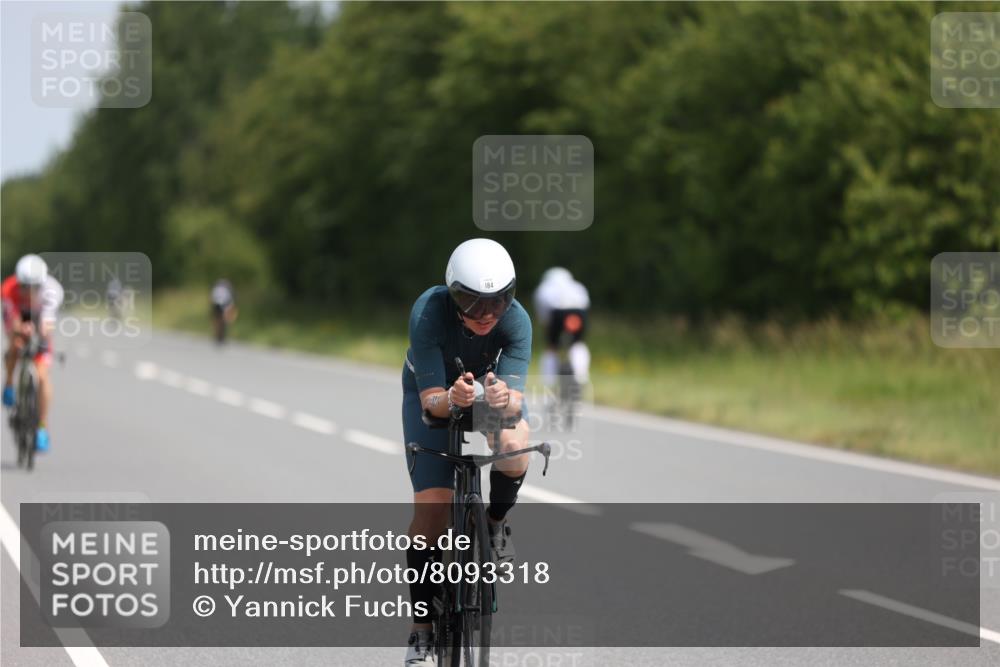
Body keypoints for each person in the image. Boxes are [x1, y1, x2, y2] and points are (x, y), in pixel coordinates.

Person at [401, 238, 532, 666]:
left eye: (497, 302)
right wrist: (456, 400)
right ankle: (421, 629)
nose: (487, 315)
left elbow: (514, 403)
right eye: (473, 304)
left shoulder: (517, 322)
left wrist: (499, 400)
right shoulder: (428, 311)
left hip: (487, 399)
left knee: (515, 445)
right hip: (435, 396)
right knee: (433, 510)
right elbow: (431, 404)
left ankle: (494, 523)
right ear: (452, 295)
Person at [2, 254, 64, 452]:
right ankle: (10, 383)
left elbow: (47, 324)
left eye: (34, 287)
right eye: (24, 287)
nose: (29, 291)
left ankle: (42, 428)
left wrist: (41, 337)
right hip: (19, 318)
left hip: (39, 320)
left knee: (43, 377)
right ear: (18, 282)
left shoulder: (52, 290)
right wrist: (20, 331)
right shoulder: (8, 289)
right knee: (16, 345)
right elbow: (10, 322)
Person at [533, 267, 591, 387]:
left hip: (557, 314)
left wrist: (550, 335)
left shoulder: (543, 289)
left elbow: (544, 317)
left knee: (551, 348)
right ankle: (581, 375)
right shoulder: (578, 286)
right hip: (578, 314)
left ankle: (549, 383)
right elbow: (586, 305)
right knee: (578, 344)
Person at [210, 278, 237, 343]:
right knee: (223, 320)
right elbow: (231, 299)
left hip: (216, 304)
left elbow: (212, 298)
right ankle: (220, 333)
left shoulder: (216, 288)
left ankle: (217, 333)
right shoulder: (227, 288)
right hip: (224, 304)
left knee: (217, 320)